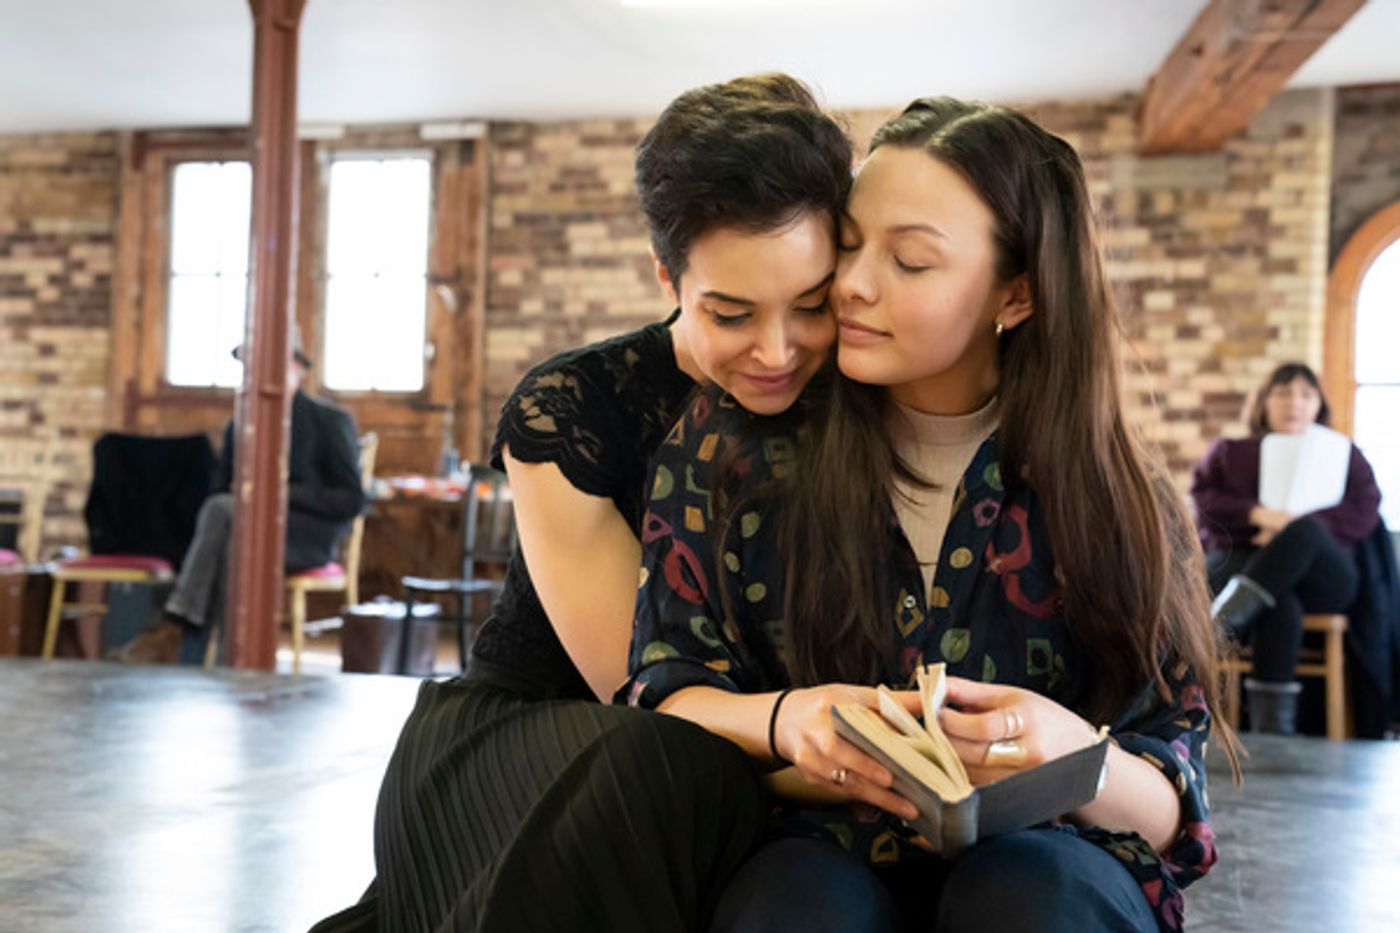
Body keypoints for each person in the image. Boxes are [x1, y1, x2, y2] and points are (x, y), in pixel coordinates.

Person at [627, 97, 1238, 933]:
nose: (852, 284)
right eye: (848, 243)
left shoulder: (1114, 495)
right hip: (807, 855)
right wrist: (796, 734)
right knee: (796, 908)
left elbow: (1179, 818)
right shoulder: (731, 446)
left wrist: (1070, 752)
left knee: (1026, 893)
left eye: (910, 261)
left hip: (1046, 869)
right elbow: (661, 692)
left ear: (1016, 294)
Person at [324, 74, 863, 933]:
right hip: (544, 743)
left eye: (812, 306)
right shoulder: (569, 407)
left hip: (747, 758)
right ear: (666, 276)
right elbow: (640, 689)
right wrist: (824, 746)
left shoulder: (859, 396)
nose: (777, 350)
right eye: (730, 314)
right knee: (663, 762)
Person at [111, 337, 364, 663]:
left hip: (304, 535)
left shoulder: (329, 420)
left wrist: (278, 492)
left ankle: (177, 628)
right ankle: (233, 658)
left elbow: (350, 500)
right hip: (242, 526)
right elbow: (221, 490)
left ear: (297, 368)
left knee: (226, 517)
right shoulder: (242, 425)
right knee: (232, 531)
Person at [1192, 362, 1382, 733]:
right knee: (1280, 599)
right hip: (1247, 561)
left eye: (1305, 394)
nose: (1293, 402)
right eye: (1282, 393)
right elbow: (1203, 501)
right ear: (1264, 401)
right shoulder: (1230, 451)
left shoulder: (1344, 455)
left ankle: (1220, 625)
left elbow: (1365, 509)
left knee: (1304, 532)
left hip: (1324, 577)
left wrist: (1289, 529)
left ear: (1318, 405)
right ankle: (1271, 730)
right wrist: (1259, 516)